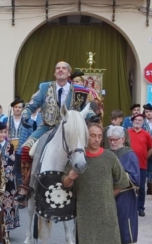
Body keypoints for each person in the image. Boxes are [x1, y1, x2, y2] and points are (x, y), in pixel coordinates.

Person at [62, 124, 133, 244]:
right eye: (92, 135)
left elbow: (122, 181)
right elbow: (65, 185)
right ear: (86, 137)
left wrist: (108, 197)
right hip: (85, 210)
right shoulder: (77, 159)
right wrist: (70, 177)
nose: (96, 139)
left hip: (107, 209)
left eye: (99, 136)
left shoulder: (109, 157)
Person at [18, 61, 95, 201]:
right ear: (54, 73)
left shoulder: (79, 90)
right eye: (58, 68)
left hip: (70, 129)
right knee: (26, 149)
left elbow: (86, 108)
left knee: (87, 149)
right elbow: (31, 105)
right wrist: (25, 115)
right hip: (47, 127)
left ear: (68, 73)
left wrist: (92, 116)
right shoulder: (44, 87)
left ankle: (86, 185)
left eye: (64, 68)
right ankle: (26, 185)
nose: (60, 70)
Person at [107, 126, 140, 244]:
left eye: (115, 140)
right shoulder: (106, 154)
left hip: (125, 195)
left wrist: (118, 177)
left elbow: (135, 178)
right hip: (108, 196)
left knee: (124, 226)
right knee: (110, 226)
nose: (112, 143)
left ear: (122, 139)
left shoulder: (130, 155)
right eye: (110, 140)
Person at [0, 121, 20, 231]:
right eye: (1, 132)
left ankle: (7, 227)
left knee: (7, 202)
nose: (3, 134)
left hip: (8, 181)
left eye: (4, 132)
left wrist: (4, 176)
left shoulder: (10, 146)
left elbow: (11, 161)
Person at [128, 114, 152, 217]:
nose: (138, 121)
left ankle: (140, 208)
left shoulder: (146, 134)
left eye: (140, 120)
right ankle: (130, 207)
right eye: (136, 120)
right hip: (129, 166)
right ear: (132, 121)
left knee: (141, 188)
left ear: (143, 122)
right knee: (129, 187)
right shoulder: (127, 133)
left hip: (142, 165)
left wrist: (145, 157)